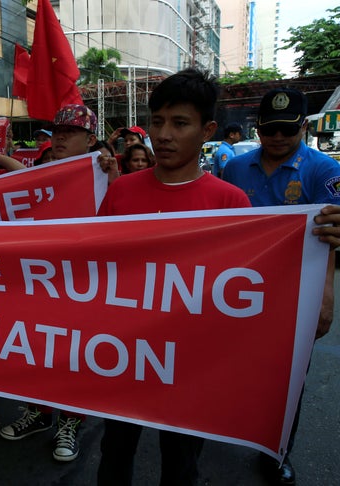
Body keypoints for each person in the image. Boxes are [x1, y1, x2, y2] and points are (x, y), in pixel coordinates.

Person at [96, 68, 251, 485]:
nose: (163, 135)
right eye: (157, 122)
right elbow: (93, 267)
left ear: (207, 130)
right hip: (122, 358)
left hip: (191, 366)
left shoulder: (231, 203)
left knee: (181, 464)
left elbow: (245, 289)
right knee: (114, 454)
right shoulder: (122, 192)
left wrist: (315, 238)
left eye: (180, 123)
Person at [223, 87, 340, 486]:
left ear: (303, 127)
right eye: (270, 129)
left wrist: (326, 297)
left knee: (287, 377)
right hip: (240, 289)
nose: (277, 138)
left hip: (296, 291)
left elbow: (331, 241)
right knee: (229, 365)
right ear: (259, 128)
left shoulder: (324, 172)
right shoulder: (236, 169)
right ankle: (222, 425)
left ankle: (277, 451)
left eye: (287, 131)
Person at [0, 103, 113, 462]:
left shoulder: (104, 174)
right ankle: (39, 412)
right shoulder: (43, 173)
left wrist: (113, 174)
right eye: (58, 131)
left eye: (71, 132)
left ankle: (71, 421)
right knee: (37, 353)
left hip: (83, 287)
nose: (61, 137)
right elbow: (7, 172)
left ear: (90, 139)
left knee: (74, 357)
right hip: (40, 284)